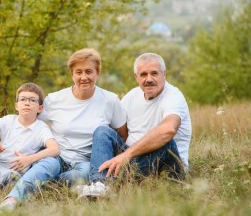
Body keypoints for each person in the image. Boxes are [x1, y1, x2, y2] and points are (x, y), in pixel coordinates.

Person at [0, 48, 127, 209]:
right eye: (78, 72)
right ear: (72, 74)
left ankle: (36, 184)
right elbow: (29, 121)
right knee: (46, 166)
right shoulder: (55, 100)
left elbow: (121, 134)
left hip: (86, 162)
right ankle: (11, 200)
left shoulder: (110, 100)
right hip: (58, 156)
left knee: (80, 176)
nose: (84, 77)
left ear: (97, 73)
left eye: (89, 71)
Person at [80, 52, 192, 197]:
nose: (149, 79)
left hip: (165, 163)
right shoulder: (132, 96)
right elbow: (116, 128)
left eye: (154, 73)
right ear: (136, 77)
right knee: (102, 131)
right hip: (132, 160)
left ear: (164, 74)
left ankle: (113, 181)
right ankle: (99, 185)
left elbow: (168, 130)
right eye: (143, 74)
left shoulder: (173, 97)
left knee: (167, 142)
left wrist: (126, 155)